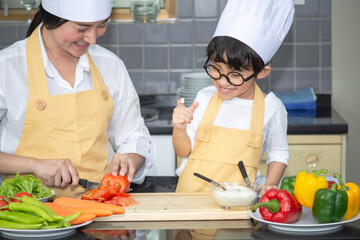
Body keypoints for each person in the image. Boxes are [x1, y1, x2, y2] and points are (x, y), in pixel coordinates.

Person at [0, 0, 154, 197]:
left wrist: (129, 161)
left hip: (99, 207)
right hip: (25, 215)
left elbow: (133, 136)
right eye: (81, 28)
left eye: (102, 25)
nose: (92, 39)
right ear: (50, 20)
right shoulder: (7, 67)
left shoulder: (110, 65)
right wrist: (34, 165)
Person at [173, 0, 294, 196]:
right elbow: (183, 152)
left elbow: (279, 153)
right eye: (215, 69)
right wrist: (179, 129)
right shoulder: (203, 99)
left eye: (235, 74)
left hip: (239, 206)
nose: (222, 81)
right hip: (189, 201)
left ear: (262, 72)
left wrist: (270, 185)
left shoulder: (272, 108)